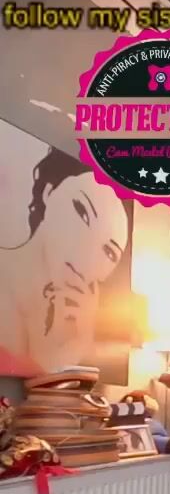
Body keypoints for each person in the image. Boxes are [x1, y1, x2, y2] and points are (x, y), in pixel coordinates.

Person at [0, 147, 129, 375]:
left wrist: (78, 343)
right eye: (82, 212)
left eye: (109, 252)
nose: (89, 248)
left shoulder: (69, 325)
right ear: (49, 192)